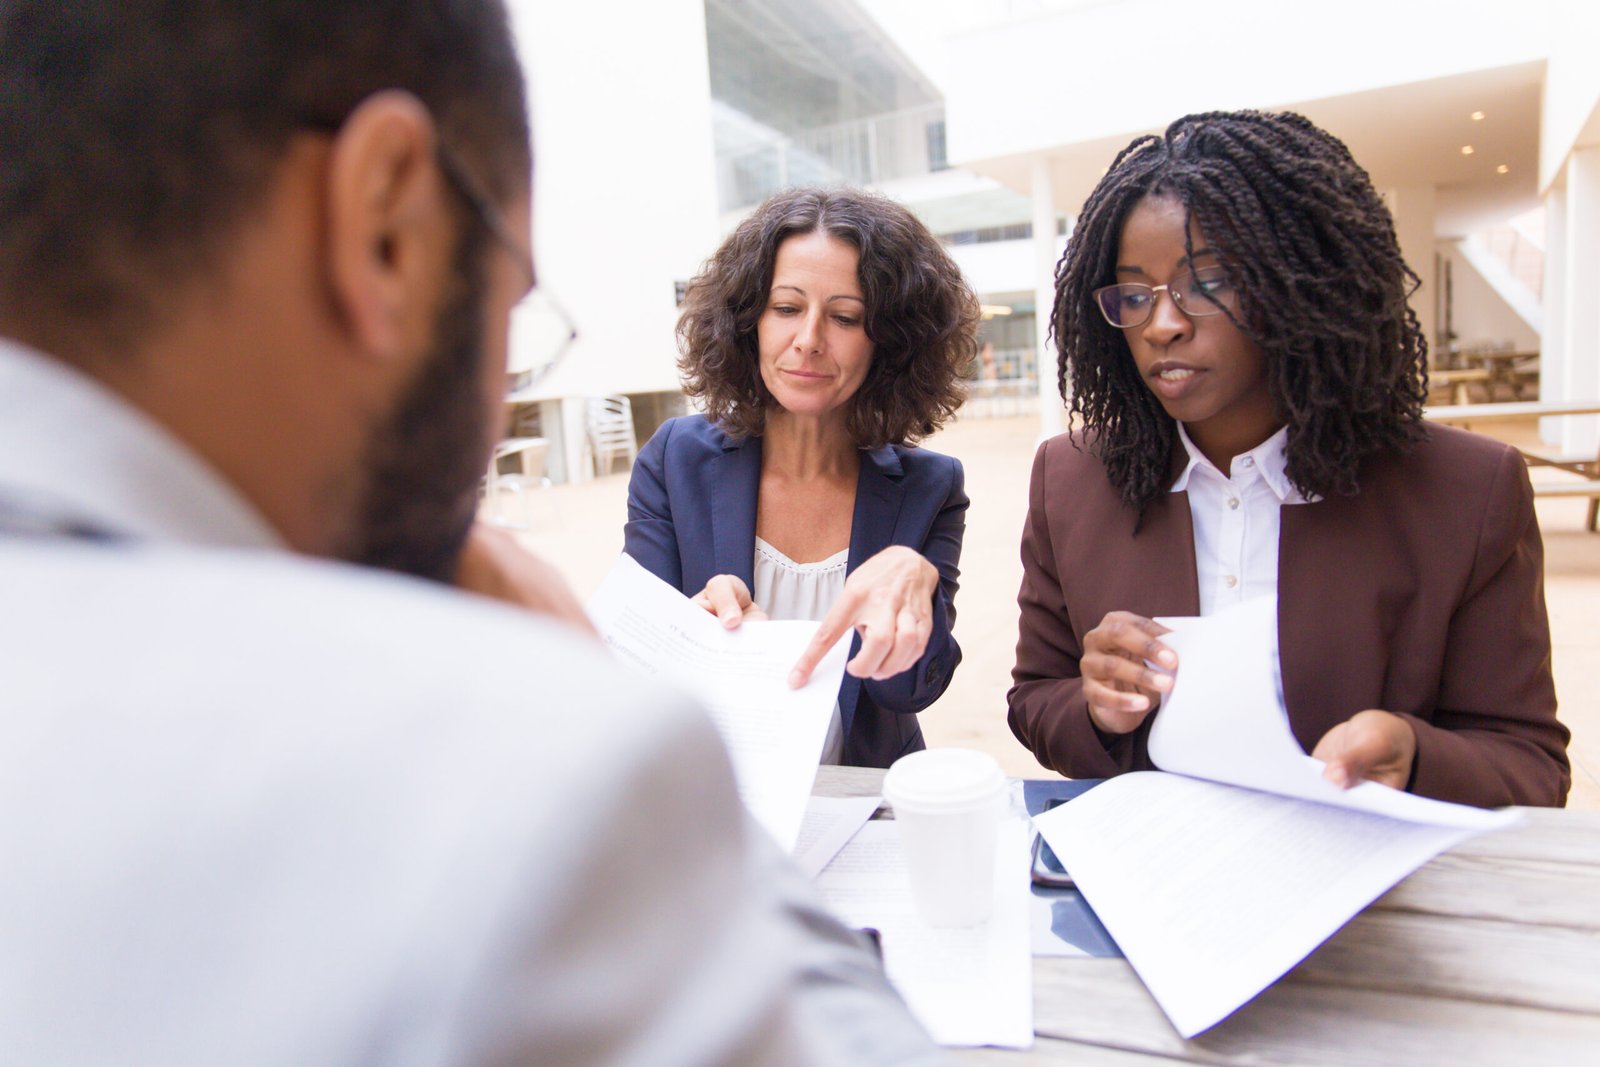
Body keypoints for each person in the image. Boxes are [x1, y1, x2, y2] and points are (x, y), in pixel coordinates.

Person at [0, 3, 948, 1063]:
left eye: (846, 314)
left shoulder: (927, 486)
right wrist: (619, 724)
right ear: (384, 224)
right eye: (512, 308)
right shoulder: (529, 769)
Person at [1008, 110, 1570, 808]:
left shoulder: (1469, 490)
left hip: (1372, 896)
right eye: (1134, 294)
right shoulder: (1069, 479)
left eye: (1207, 282)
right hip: (1154, 893)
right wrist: (1094, 707)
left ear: (1302, 283)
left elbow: (1531, 767)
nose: (1163, 323)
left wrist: (1415, 755)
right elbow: (1035, 698)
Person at [625, 187, 979, 768]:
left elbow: (906, 690)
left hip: (859, 805)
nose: (809, 339)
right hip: (713, 800)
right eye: (786, 308)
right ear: (748, 321)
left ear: (889, 342)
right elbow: (635, 670)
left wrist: (919, 594)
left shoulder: (930, 487)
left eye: (845, 317)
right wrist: (706, 638)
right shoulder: (675, 459)